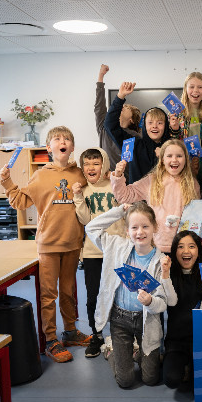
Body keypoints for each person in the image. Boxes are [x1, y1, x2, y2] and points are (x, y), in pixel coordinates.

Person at [0, 126, 90, 363]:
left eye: (67, 139)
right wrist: (7, 182)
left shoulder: (79, 174)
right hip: (49, 244)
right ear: (49, 148)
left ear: (71, 147)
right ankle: (51, 339)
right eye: (57, 139)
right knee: (48, 295)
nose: (63, 141)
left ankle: (70, 332)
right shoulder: (40, 175)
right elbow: (19, 201)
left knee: (69, 291)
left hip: (73, 243)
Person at [85, 202, 175, 389]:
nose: (139, 232)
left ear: (154, 228)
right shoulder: (116, 246)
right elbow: (91, 228)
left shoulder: (161, 261)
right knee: (125, 381)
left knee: (150, 379)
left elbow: (163, 304)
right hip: (120, 319)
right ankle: (110, 351)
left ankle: (137, 352)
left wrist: (150, 301)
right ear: (127, 230)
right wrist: (119, 211)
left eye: (145, 226)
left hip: (147, 321)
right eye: (134, 227)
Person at [73, 147, 124, 358]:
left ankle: (120, 336)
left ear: (104, 165)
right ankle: (96, 335)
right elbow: (85, 220)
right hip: (93, 252)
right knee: (93, 295)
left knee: (119, 294)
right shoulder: (84, 190)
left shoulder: (115, 184)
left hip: (117, 249)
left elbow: (126, 209)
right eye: (87, 164)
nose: (91, 167)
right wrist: (77, 195)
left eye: (96, 163)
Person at [111, 139, 199, 253]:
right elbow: (124, 196)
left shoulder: (192, 184)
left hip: (182, 247)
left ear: (186, 160)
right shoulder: (152, 181)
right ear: (162, 159)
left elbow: (195, 218)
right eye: (169, 156)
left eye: (179, 156)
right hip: (154, 246)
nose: (174, 160)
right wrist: (117, 176)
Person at [163, 231, 202, 390]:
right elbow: (169, 301)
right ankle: (182, 364)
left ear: (198, 250)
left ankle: (190, 365)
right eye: (180, 247)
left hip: (200, 339)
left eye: (191, 246)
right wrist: (165, 276)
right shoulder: (169, 273)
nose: (186, 251)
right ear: (174, 251)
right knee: (171, 380)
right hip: (176, 340)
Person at [105, 80, 171, 183]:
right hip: (138, 198)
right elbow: (110, 125)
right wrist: (120, 97)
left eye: (159, 123)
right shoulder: (134, 144)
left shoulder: (172, 147)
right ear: (144, 126)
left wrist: (164, 155)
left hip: (166, 197)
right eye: (150, 122)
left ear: (166, 126)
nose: (154, 126)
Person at [95, 64, 140, 171]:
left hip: (128, 182)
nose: (121, 108)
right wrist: (101, 76)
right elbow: (99, 106)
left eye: (126, 107)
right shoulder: (104, 128)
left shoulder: (134, 136)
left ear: (132, 119)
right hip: (107, 180)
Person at [169, 71, 202, 140]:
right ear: (186, 89)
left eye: (200, 87)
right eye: (191, 87)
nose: (195, 90)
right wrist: (174, 130)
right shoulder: (175, 113)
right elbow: (170, 142)